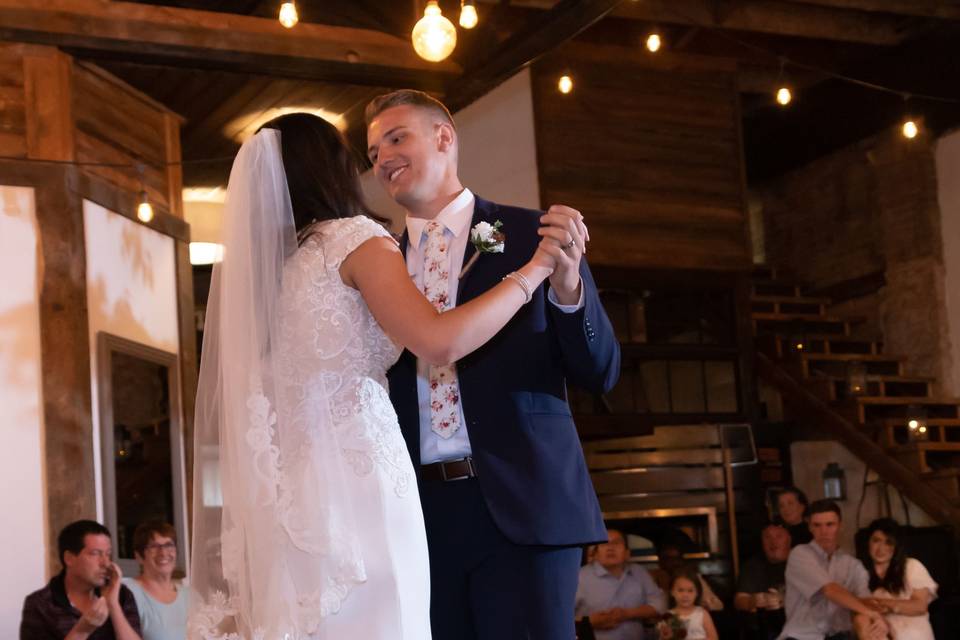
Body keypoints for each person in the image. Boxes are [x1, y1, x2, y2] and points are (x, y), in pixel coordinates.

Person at [189, 113, 563, 639]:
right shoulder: (355, 240)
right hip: (359, 483)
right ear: (331, 169)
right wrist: (533, 273)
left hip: (289, 496)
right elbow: (437, 341)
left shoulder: (268, 275)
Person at [365, 90, 619, 640]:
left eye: (396, 137)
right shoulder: (374, 264)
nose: (382, 158)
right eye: (372, 152)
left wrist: (568, 287)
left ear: (443, 137)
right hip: (419, 515)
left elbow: (601, 373)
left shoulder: (530, 236)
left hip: (524, 503)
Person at [778, 500, 887, 640]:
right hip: (802, 636)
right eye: (817, 525)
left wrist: (877, 618)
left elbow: (864, 601)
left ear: (840, 525)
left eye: (830, 524)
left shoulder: (853, 565)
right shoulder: (800, 553)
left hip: (840, 635)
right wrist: (873, 614)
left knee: (869, 623)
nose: (824, 531)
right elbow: (830, 590)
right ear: (810, 527)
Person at [20, 520, 141, 640]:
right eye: (95, 553)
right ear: (69, 558)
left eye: (108, 554)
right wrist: (82, 630)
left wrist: (113, 605)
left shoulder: (121, 595)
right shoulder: (40, 604)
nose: (106, 563)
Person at [575, 528, 666, 639]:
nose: (610, 548)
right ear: (595, 553)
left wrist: (627, 614)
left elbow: (660, 605)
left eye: (616, 543)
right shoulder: (579, 577)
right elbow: (559, 617)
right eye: (604, 544)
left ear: (627, 553)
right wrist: (589, 622)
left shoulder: (639, 572)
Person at [858, 518, 937, 640]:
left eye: (888, 542)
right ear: (868, 542)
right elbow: (856, 607)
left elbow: (919, 606)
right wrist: (877, 615)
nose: (881, 548)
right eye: (876, 541)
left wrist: (881, 604)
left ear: (896, 546)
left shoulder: (911, 566)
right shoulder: (859, 573)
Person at [121, 521, 188, 640]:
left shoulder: (190, 596)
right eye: (154, 546)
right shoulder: (127, 592)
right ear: (139, 556)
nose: (163, 553)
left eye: (168, 545)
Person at [734, 521, 791, 640]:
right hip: (762, 632)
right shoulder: (752, 566)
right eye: (767, 537)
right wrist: (752, 601)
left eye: (779, 536)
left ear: (789, 539)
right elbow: (739, 600)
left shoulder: (802, 561)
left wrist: (784, 600)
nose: (773, 542)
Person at [650, 542, 724, 612]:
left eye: (677, 558)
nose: (675, 563)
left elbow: (716, 606)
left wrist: (699, 609)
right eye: (669, 559)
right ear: (661, 561)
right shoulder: (651, 578)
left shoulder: (691, 577)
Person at [661, 569, 718, 640]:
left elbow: (714, 638)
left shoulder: (702, 613)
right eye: (680, 590)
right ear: (672, 592)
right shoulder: (668, 616)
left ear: (697, 593)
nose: (685, 595)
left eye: (690, 591)